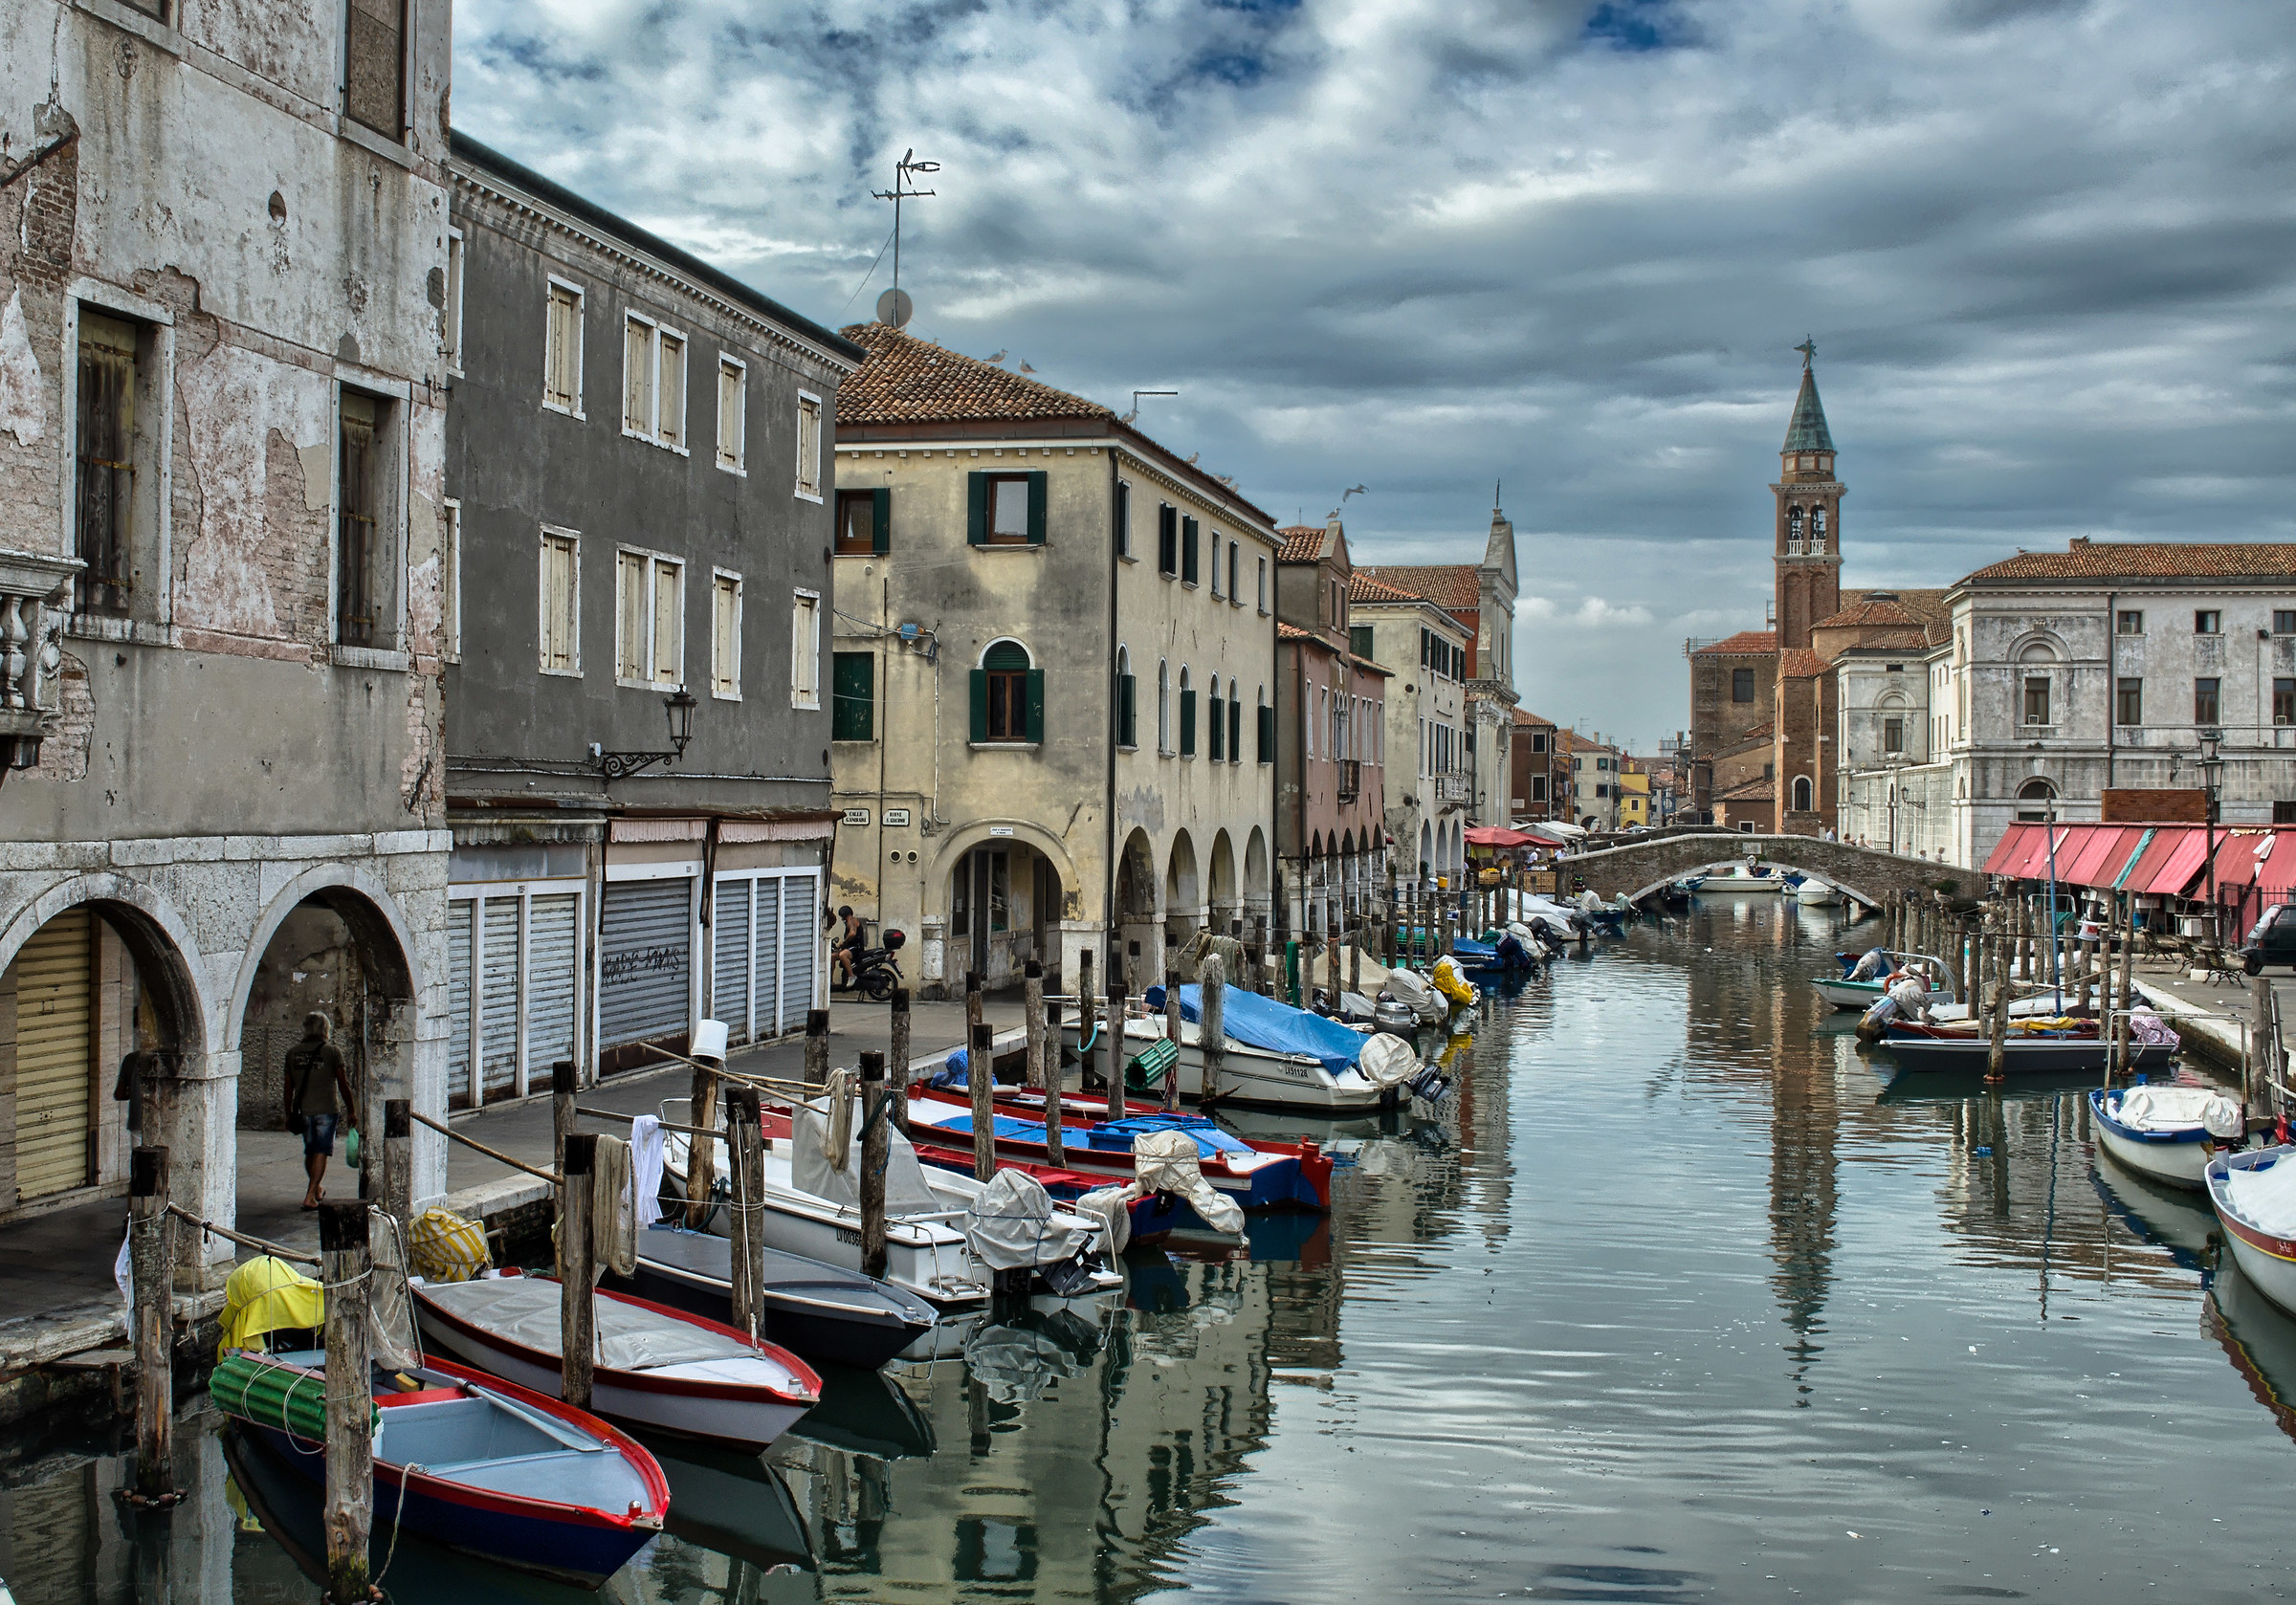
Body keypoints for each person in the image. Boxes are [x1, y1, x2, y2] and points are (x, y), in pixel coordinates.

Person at [282, 1013, 356, 1211]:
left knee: (310, 1150)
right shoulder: (332, 1052)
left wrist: (288, 1113)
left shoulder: (292, 1053)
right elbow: (343, 1083)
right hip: (326, 1110)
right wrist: (352, 1110)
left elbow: (288, 1088)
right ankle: (310, 1196)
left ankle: (316, 1189)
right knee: (321, 1151)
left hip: (304, 1111)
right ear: (326, 1030)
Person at [831, 905, 867, 989]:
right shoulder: (849, 922)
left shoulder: (852, 920)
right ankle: (830, 981)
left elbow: (852, 933)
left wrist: (844, 943)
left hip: (856, 948)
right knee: (832, 957)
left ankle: (851, 976)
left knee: (842, 955)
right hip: (850, 948)